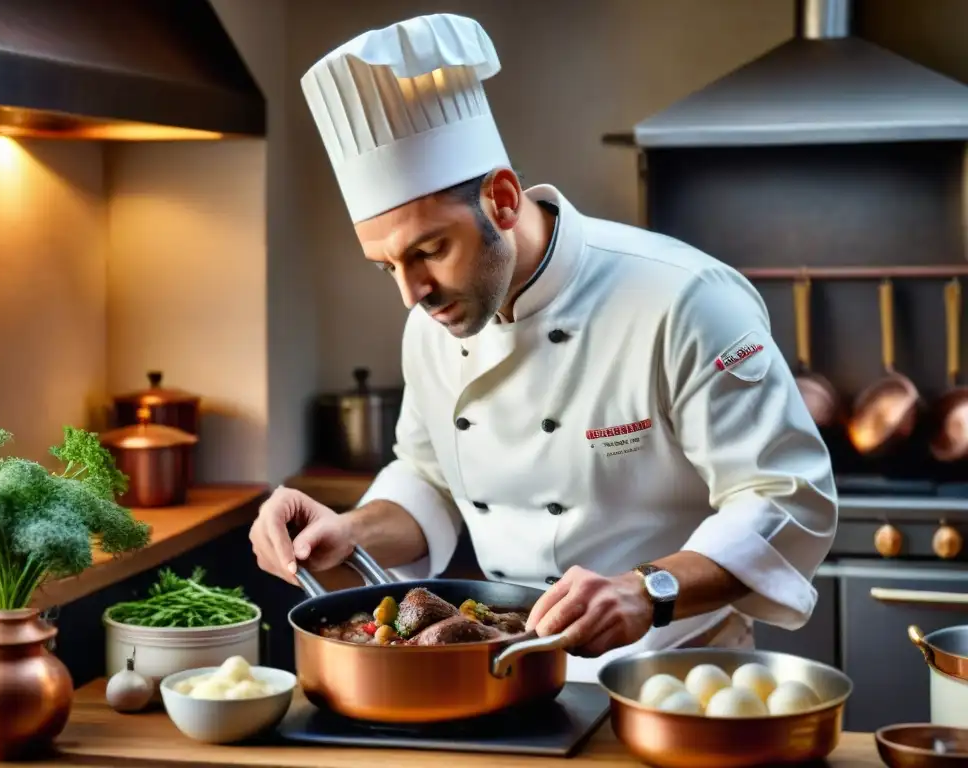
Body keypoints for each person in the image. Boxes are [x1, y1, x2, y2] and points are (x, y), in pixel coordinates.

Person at [250, 12, 838, 682]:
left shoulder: (683, 298)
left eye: (430, 250)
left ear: (501, 198)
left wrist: (648, 591)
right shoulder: (431, 324)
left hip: (673, 680)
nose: (412, 293)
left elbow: (785, 496)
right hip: (509, 677)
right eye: (387, 266)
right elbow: (432, 479)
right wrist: (351, 532)